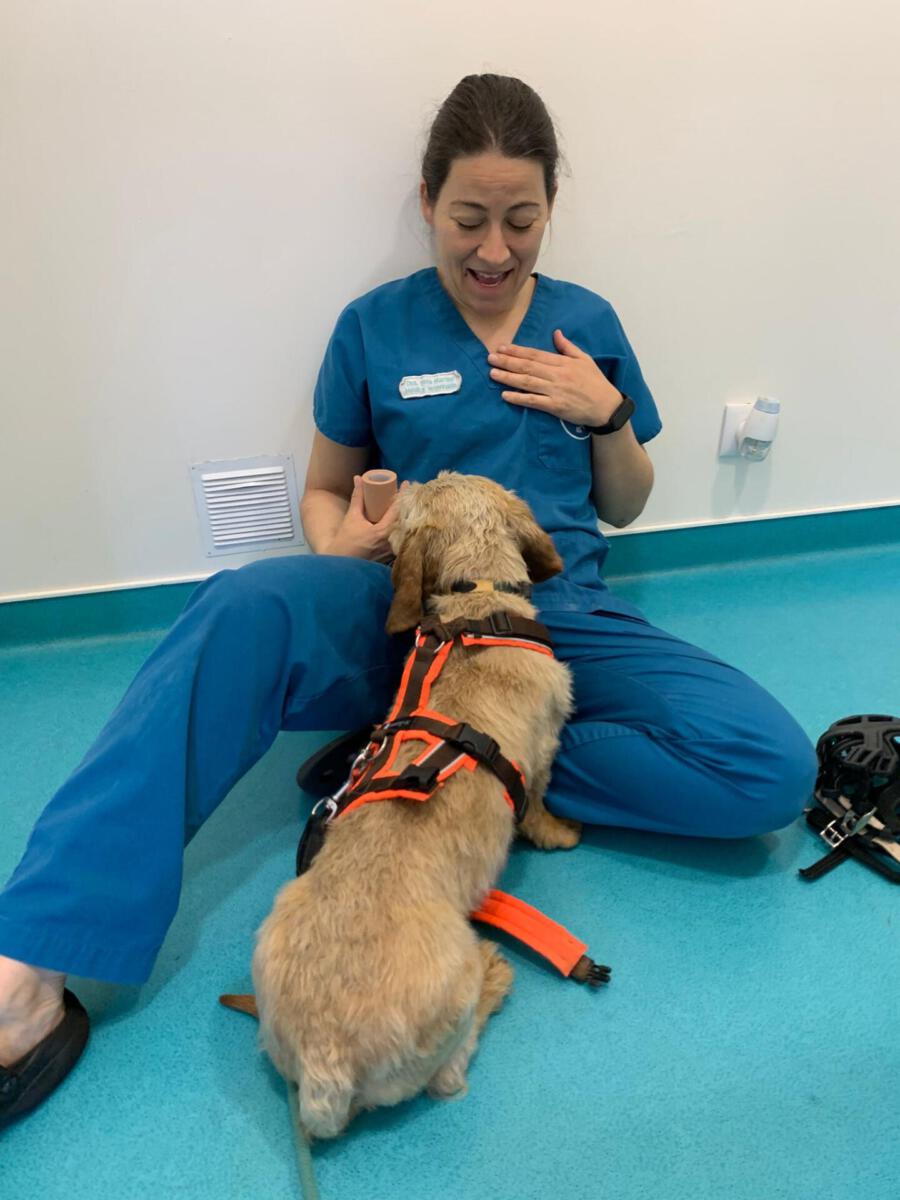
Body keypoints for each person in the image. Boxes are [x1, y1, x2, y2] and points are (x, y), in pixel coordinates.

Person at [0, 73, 818, 1127]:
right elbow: (324, 493)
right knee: (241, 606)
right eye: (469, 218)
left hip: (555, 621)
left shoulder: (587, 324)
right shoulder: (373, 327)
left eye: (521, 220)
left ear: (551, 210)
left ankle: (431, 752)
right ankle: (31, 962)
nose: (494, 249)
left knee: (769, 769)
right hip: (408, 617)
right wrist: (344, 540)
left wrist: (608, 413)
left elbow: (625, 505)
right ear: (428, 202)